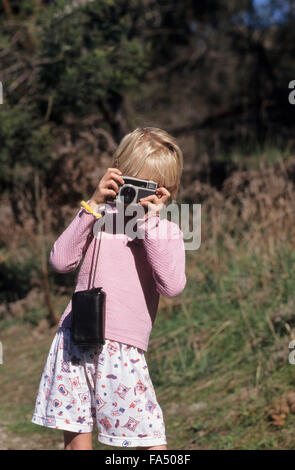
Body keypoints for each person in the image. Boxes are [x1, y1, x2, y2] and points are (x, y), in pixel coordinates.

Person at [31, 127, 187, 450]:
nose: (141, 196)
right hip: (75, 341)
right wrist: (92, 204)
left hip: (123, 354)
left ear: (167, 192)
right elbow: (60, 261)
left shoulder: (165, 231)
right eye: (135, 185)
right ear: (119, 176)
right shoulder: (96, 216)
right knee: (77, 445)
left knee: (149, 443)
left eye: (154, 188)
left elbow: (172, 285)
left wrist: (147, 223)